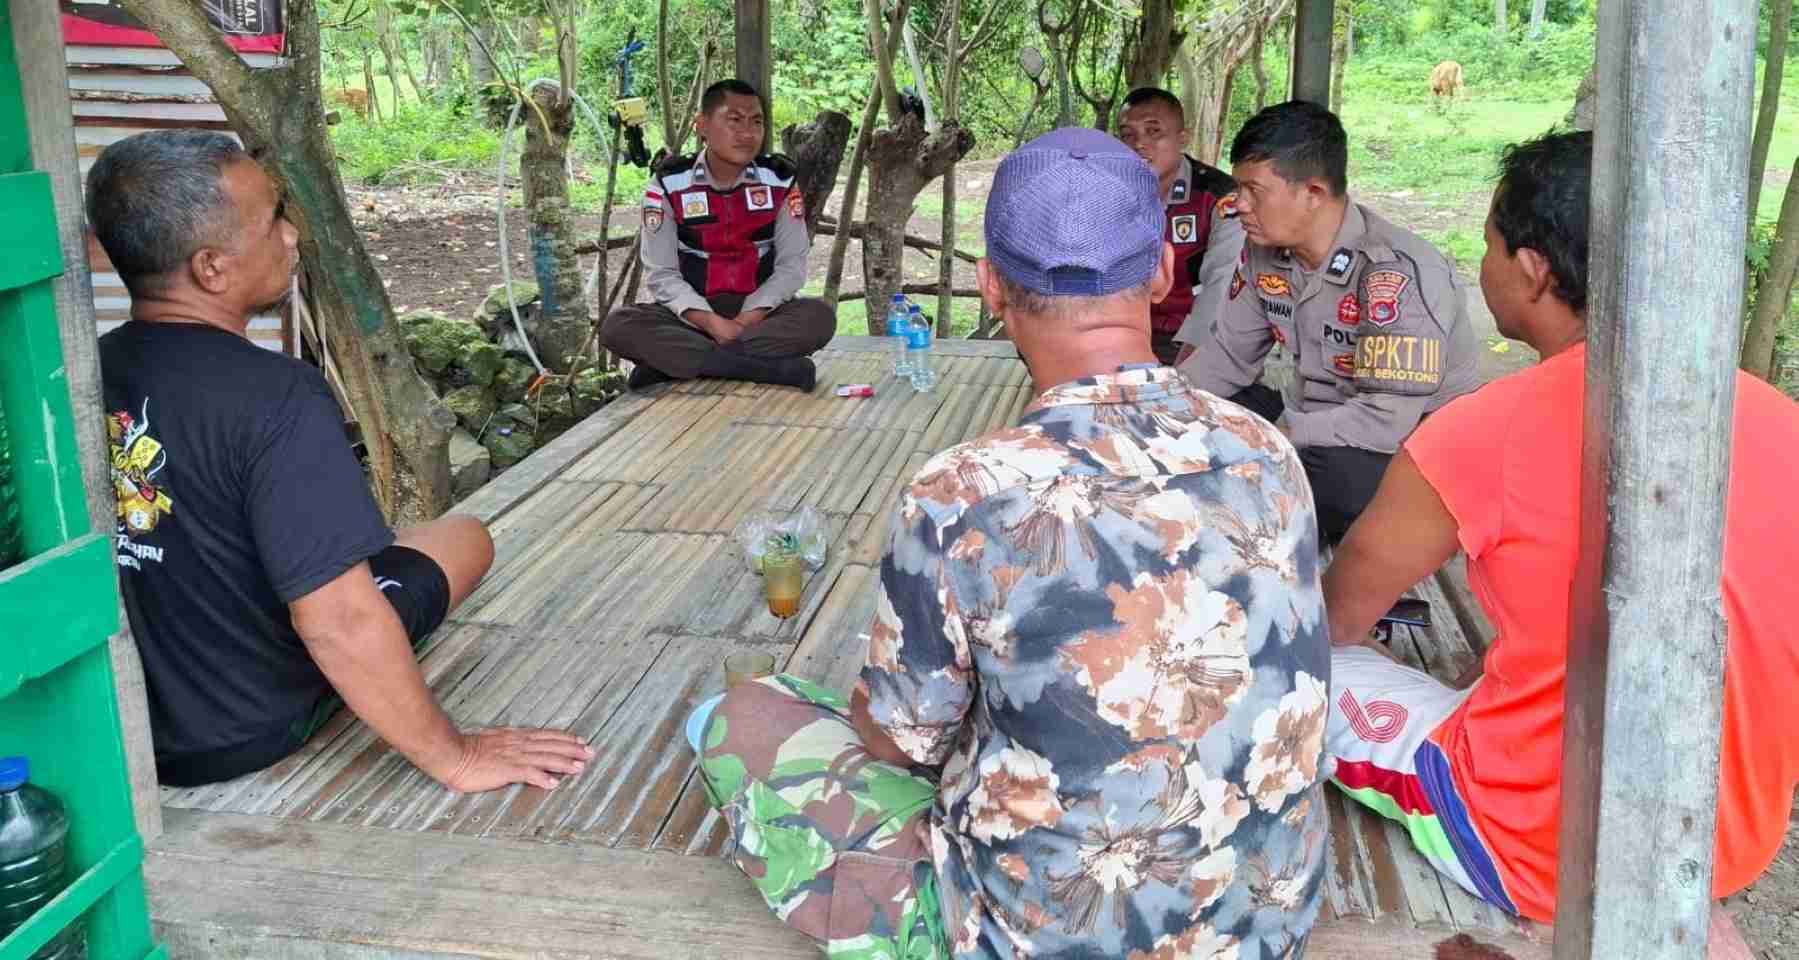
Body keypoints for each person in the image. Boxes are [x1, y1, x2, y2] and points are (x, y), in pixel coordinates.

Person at [686, 128, 1331, 959]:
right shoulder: (1265, 448)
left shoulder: (965, 491)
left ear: (990, 285)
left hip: (1034, 935)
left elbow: (902, 743)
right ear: (1161, 272)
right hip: (1264, 927)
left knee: (737, 714)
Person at [1320, 130, 1799, 924]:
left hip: (1536, 850)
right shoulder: (1777, 418)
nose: (1483, 268)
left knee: (1300, 668)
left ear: (1532, 269)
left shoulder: (1483, 430)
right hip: (1726, 843)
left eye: (1488, 247)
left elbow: (1334, 619)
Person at [88, 129, 593, 791]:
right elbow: (338, 622)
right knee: (466, 539)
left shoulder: (88, 371)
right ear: (211, 268)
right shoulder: (275, 395)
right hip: (249, 726)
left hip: (130, 722)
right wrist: (457, 756)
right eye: (273, 218)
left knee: (426, 539)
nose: (291, 234)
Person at [1179, 100, 1479, 541]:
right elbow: (1227, 357)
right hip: (1315, 421)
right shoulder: (1265, 253)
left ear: (1314, 193)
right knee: (1204, 418)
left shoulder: (1393, 273)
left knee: (1317, 483)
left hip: (1402, 448)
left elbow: (1384, 420)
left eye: (1253, 190)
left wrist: (1276, 434)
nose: (1238, 204)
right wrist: (1164, 405)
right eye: (1239, 188)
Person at [601, 78, 834, 392]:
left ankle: (682, 364)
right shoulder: (669, 183)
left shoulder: (779, 180)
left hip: (759, 317)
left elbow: (791, 267)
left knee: (818, 318)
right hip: (692, 318)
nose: (748, 133)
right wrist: (711, 323)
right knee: (618, 326)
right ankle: (767, 369)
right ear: (702, 126)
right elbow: (662, 273)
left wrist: (743, 321)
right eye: (734, 120)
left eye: (756, 122)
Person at [1116, 85, 1245, 365]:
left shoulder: (1218, 195)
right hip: (1123, 334)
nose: (1139, 144)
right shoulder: (1106, 192)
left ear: (1182, 139)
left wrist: (1188, 365)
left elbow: (1222, 284)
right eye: (1127, 135)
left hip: (1192, 337)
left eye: (1153, 131)